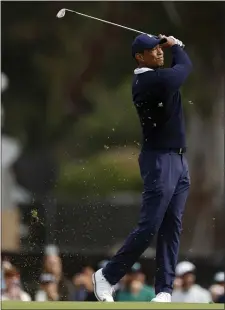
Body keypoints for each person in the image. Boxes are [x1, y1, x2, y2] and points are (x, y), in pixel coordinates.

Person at [92, 33, 192, 303]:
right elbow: (183, 69)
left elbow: (179, 69)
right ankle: (107, 276)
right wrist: (177, 46)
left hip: (179, 160)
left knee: (172, 227)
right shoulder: (148, 80)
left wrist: (169, 46)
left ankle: (164, 290)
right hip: (159, 160)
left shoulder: (157, 76)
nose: (159, 53)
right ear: (140, 56)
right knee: (150, 226)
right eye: (153, 50)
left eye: (160, 49)